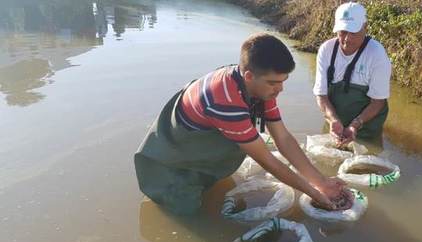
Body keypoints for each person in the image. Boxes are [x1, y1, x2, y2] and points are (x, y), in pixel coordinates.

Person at [134, 33, 350, 215]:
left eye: (283, 82)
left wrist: (320, 181)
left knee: (211, 185)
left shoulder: (260, 86)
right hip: (171, 160)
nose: (279, 90)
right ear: (248, 76)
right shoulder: (225, 101)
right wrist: (315, 194)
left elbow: (282, 137)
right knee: (186, 211)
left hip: (201, 142)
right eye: (274, 83)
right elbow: (267, 160)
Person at [313, 2, 392, 146]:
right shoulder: (326, 50)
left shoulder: (377, 55)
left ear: (365, 27)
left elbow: (378, 101)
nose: (347, 39)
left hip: (366, 128)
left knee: (367, 163)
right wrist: (333, 119)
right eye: (342, 32)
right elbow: (321, 95)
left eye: (353, 32)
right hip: (335, 125)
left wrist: (356, 124)